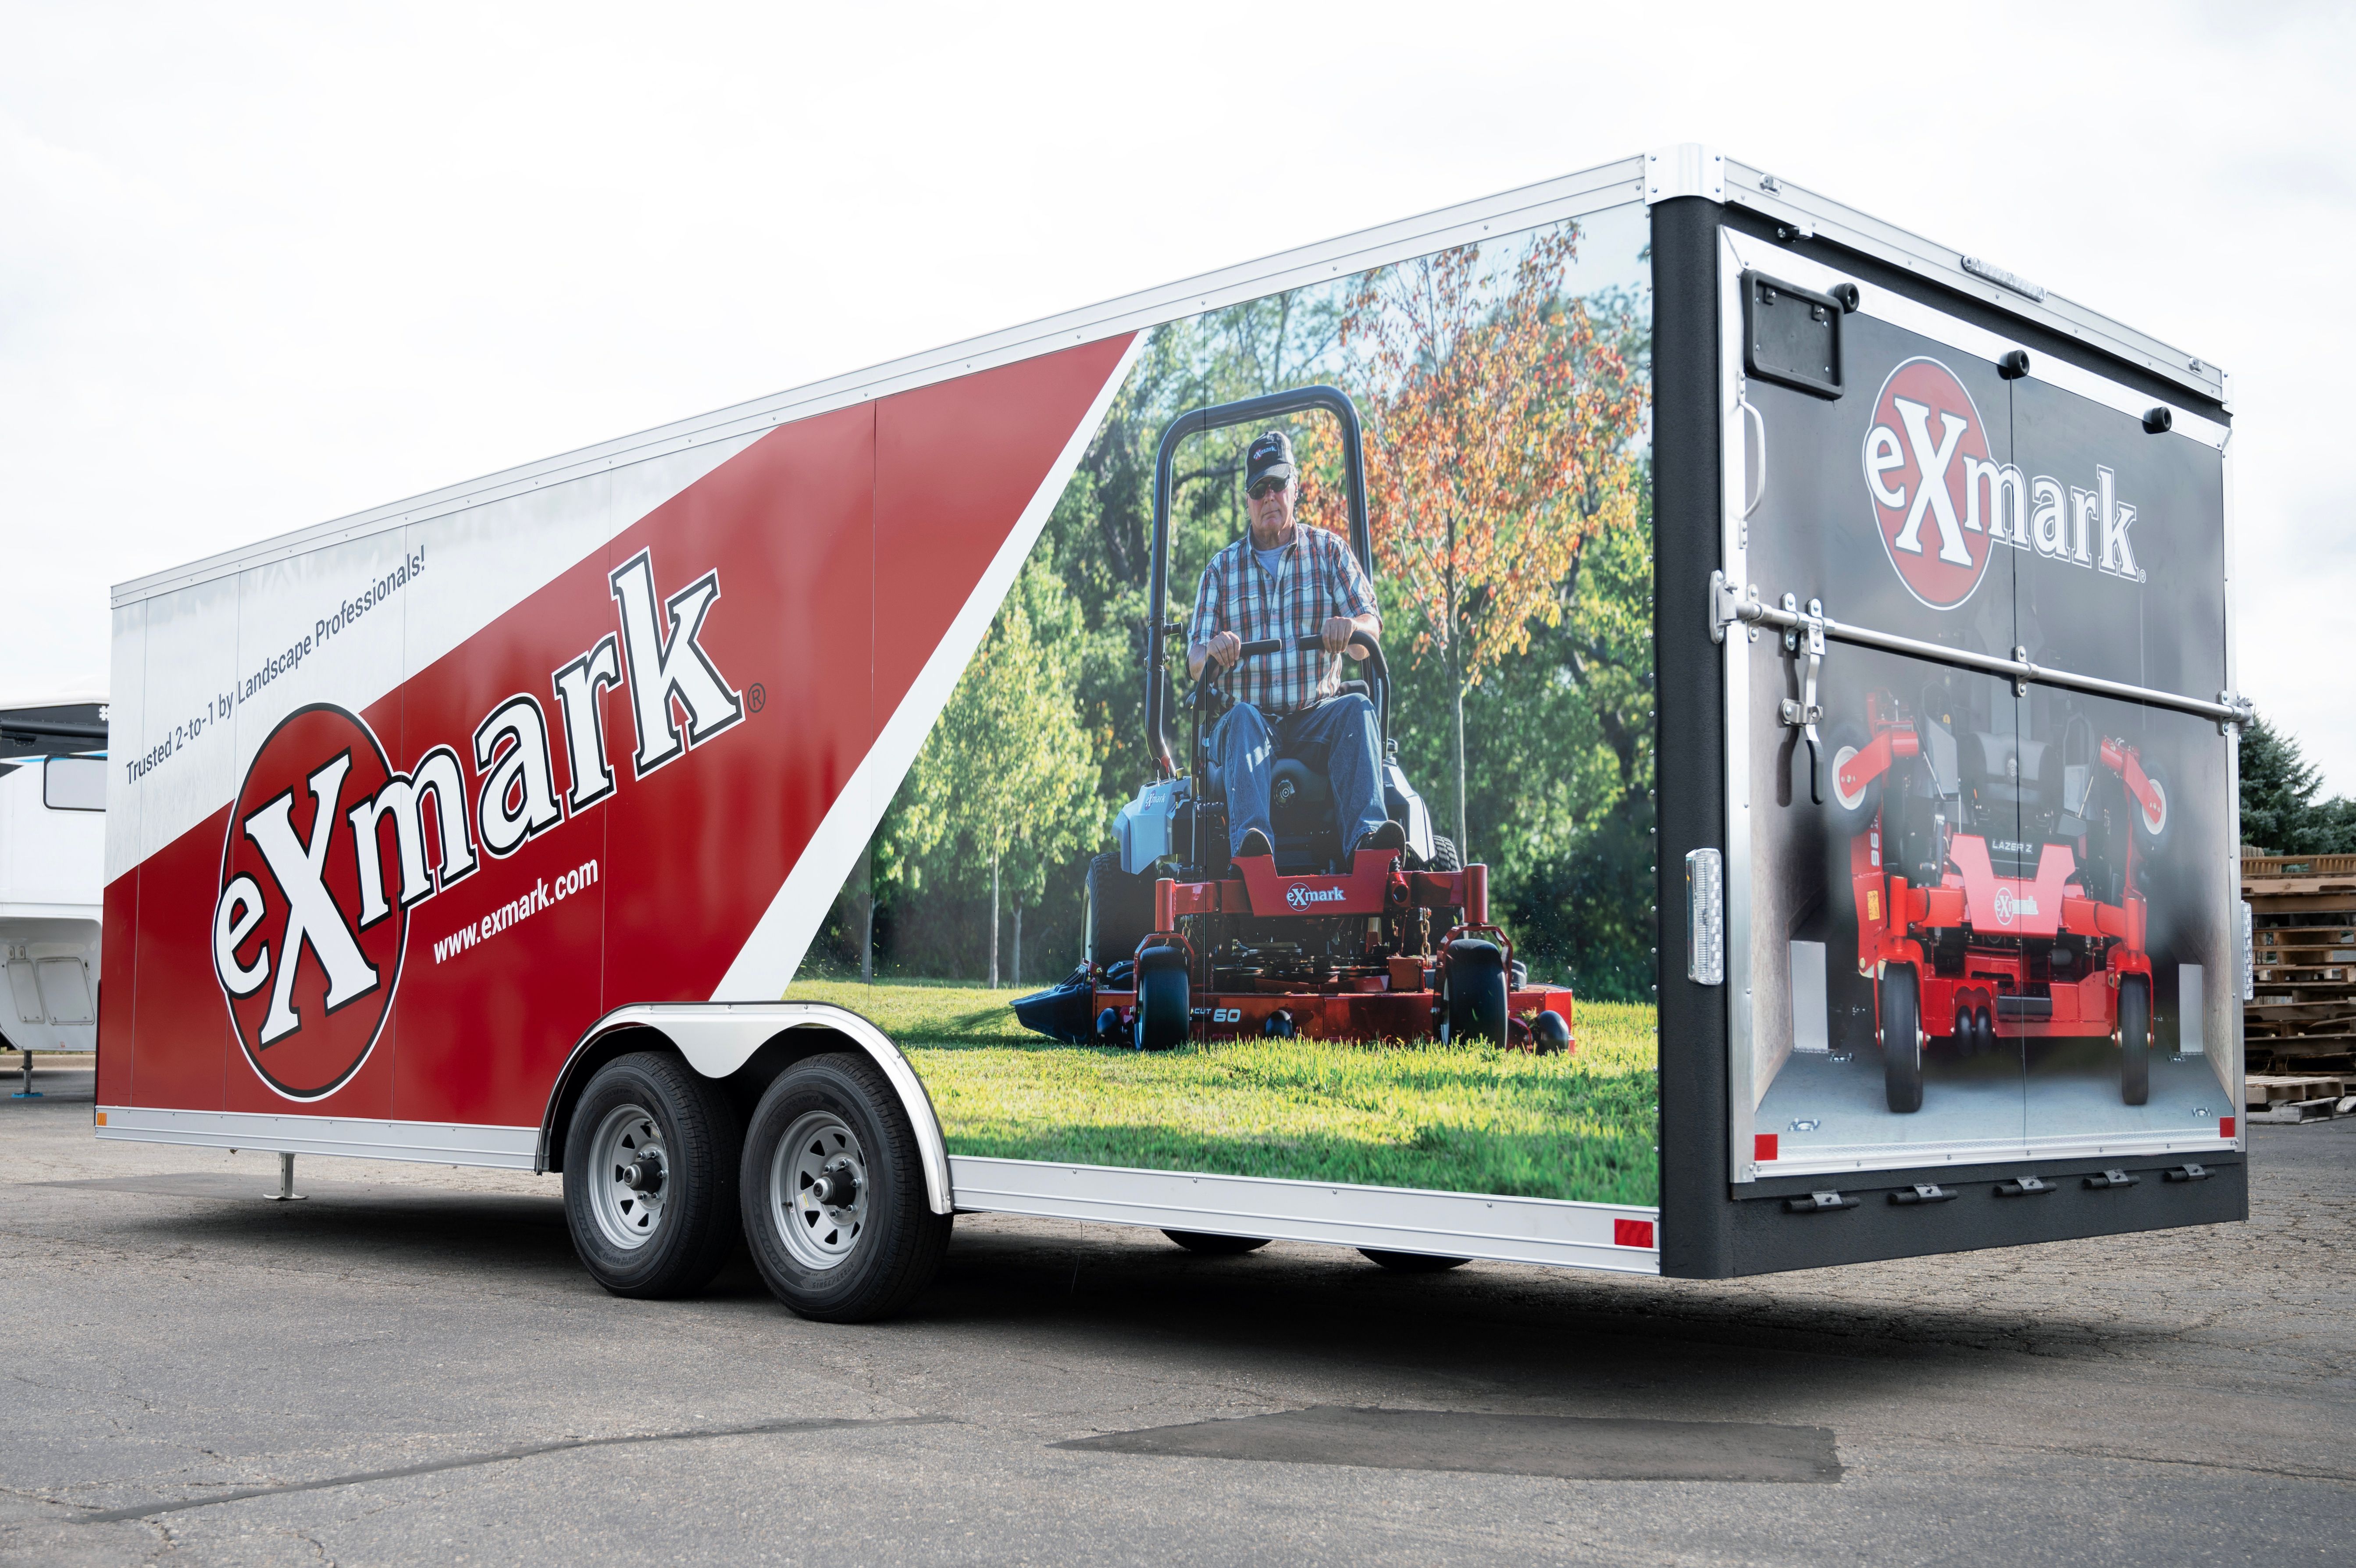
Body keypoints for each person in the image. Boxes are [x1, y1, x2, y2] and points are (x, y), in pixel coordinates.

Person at [1186, 429, 1404, 866]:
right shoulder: (1221, 571)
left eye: (1277, 486)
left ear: (1295, 489)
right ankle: (1253, 849)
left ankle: (1369, 844)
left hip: (1315, 720)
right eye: (1258, 489)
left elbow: (1369, 632)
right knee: (1242, 716)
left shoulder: (1329, 552)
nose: (1269, 498)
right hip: (1250, 725)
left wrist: (1351, 627)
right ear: (1247, 500)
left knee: (1357, 709)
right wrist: (1214, 648)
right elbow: (1195, 664)